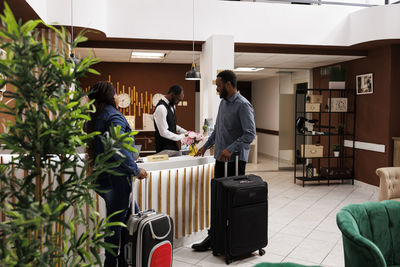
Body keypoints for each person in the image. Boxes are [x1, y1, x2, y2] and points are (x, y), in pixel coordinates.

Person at [191, 70, 256, 251]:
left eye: (219, 85)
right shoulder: (224, 103)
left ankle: (232, 238)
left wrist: (230, 148)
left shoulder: (243, 105)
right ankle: (215, 237)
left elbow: (250, 134)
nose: (217, 89)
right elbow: (218, 129)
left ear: (228, 84)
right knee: (219, 201)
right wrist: (205, 146)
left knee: (231, 202)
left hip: (235, 163)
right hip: (221, 160)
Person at [86, 81, 147, 266]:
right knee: (116, 226)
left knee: (131, 216)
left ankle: (126, 259)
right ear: (110, 97)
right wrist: (136, 170)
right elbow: (118, 148)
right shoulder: (114, 116)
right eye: (115, 94)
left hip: (102, 177)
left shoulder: (94, 118)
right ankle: (112, 263)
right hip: (117, 178)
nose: (117, 96)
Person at [153, 85, 187, 153]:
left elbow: (171, 124)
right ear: (172, 95)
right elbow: (163, 132)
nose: (178, 103)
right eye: (178, 100)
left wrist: (186, 132)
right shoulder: (161, 108)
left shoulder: (172, 106)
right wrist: (181, 137)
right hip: (164, 148)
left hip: (173, 146)